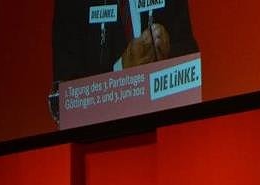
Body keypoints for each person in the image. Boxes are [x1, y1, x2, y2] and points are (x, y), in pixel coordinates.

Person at [49, 0, 199, 121]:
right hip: (106, 137)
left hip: (166, 123)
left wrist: (167, 53)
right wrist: (122, 71)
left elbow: (190, 59)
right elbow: (67, 104)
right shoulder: (71, 5)